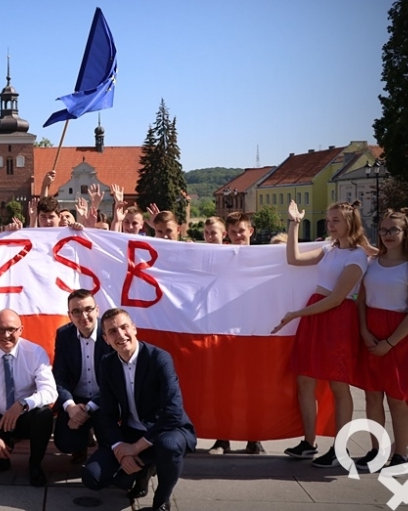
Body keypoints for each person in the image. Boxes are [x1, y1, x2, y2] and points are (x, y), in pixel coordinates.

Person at [272, 201, 372, 467]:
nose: (330, 225)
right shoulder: (329, 248)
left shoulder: (357, 256)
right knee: (305, 379)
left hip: (337, 318)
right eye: (329, 220)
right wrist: (293, 223)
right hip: (316, 314)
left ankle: (341, 449)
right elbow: (293, 259)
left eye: (336, 220)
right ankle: (309, 443)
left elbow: (338, 298)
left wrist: (297, 314)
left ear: (350, 222)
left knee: (338, 384)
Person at [82, 308, 196, 511]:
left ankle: (161, 500)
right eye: (112, 331)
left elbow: (173, 412)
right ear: (106, 339)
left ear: (134, 329)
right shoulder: (107, 364)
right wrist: (120, 449)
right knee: (93, 477)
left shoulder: (159, 358)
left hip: (166, 430)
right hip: (131, 431)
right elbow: (107, 414)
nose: (120, 335)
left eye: (124, 327)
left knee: (169, 447)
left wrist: (135, 449)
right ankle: (144, 469)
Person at [354, 209, 408, 469]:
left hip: (399, 338)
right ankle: (377, 451)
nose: (387, 234)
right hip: (371, 333)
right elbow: (361, 300)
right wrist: (364, 332)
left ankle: (400, 455)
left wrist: (390, 343)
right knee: (372, 397)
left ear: (405, 233)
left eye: (393, 230)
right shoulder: (372, 263)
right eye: (383, 230)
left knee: (398, 399)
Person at [0, 309, 56, 487]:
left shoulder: (35, 353)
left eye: (11, 329)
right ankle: (2, 455)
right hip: (0, 416)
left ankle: (35, 465)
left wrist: (23, 404)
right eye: (0, 329)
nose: (6, 335)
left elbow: (50, 391)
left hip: (26, 415)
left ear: (20, 330)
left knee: (44, 415)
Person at [208, 212, 264, 455]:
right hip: (225, 332)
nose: (238, 235)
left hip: (255, 333)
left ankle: (254, 438)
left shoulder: (265, 258)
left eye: (241, 230)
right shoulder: (220, 257)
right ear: (227, 235)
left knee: (254, 390)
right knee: (224, 388)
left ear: (250, 231)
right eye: (233, 232)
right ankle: (223, 437)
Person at [53, 290, 112, 466]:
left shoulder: (110, 333)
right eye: (77, 312)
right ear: (69, 315)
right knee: (65, 443)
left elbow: (114, 383)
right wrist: (70, 406)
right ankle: (82, 442)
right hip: (76, 400)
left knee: (109, 442)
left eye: (88, 309)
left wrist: (89, 408)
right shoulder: (64, 335)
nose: (83, 316)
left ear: (97, 310)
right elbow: (59, 375)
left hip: (105, 399)